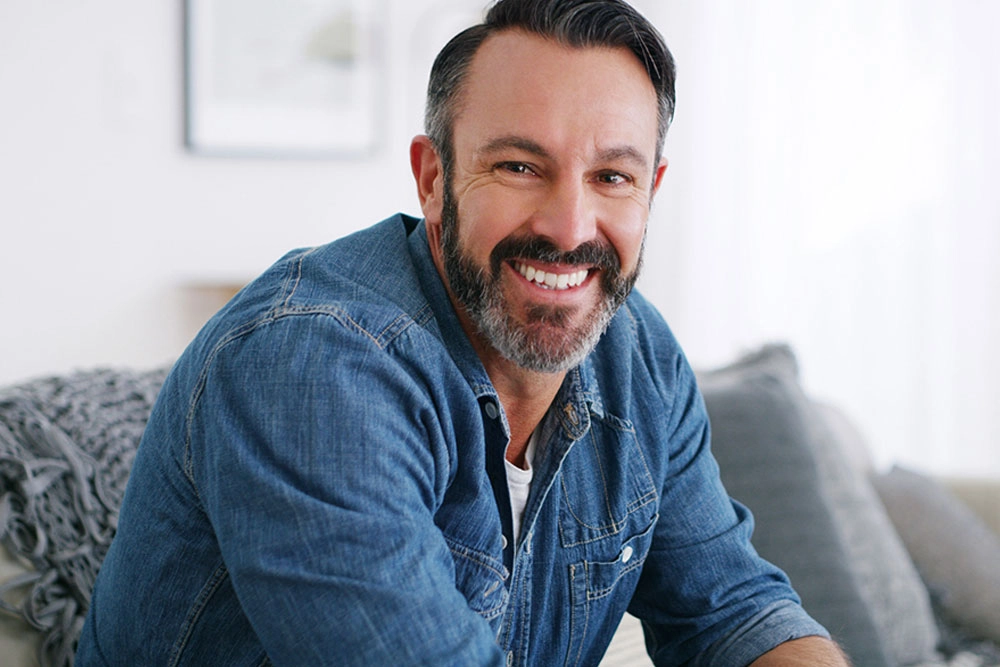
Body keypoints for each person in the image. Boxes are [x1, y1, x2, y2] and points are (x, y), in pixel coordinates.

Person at [76, 1, 850, 665]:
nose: (569, 227)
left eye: (612, 176)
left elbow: (736, 614)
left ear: (651, 190)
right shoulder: (311, 365)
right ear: (434, 179)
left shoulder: (634, 351)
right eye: (519, 167)